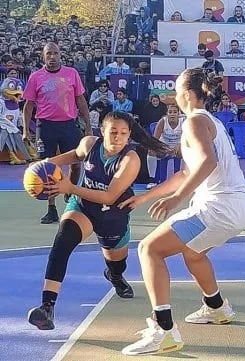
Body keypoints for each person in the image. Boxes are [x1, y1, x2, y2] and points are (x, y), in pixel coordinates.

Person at [119, 69, 245, 356]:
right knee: (193, 253)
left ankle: (164, 331)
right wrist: (146, 198)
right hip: (238, 206)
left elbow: (207, 162)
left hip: (218, 208)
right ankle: (217, 308)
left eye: (177, 89)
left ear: (188, 94)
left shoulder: (193, 121)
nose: (174, 94)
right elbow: (185, 173)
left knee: (149, 249)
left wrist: (177, 199)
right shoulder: (208, 120)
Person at [27, 112, 173, 330]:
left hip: (113, 214)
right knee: (62, 242)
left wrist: (70, 188)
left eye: (123, 133)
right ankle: (47, 307)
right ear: (102, 131)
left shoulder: (130, 160)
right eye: (113, 132)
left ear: (129, 135)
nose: (118, 137)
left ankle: (114, 275)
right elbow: (76, 154)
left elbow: (109, 197)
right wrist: (45, 164)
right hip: (83, 206)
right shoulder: (90, 144)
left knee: (117, 263)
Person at [22, 42, 92, 225]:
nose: (52, 57)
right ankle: (51, 209)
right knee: (47, 168)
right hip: (45, 126)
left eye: (55, 53)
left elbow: (81, 100)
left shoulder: (72, 74)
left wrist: (88, 126)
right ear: (43, 57)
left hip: (69, 124)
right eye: (48, 54)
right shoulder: (36, 77)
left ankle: (69, 193)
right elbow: (28, 106)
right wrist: (25, 130)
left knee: (76, 164)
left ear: (60, 54)